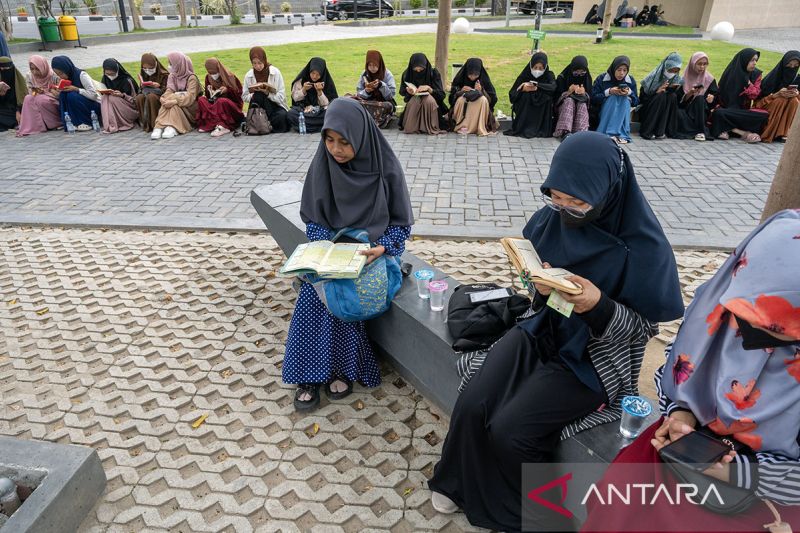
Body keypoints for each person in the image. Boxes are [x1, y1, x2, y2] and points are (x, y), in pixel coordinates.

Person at [427, 131, 684, 532]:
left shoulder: (644, 248)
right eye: (556, 198)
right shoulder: (554, 217)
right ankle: (457, 483)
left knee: (513, 430)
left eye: (577, 202)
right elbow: (539, 288)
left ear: (608, 191)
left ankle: (534, 517)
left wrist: (598, 305)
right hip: (542, 329)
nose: (564, 211)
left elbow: (642, 330)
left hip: (594, 358)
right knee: (475, 399)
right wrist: (538, 283)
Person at [581, 209, 800, 533]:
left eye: (778, 329)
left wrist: (739, 471)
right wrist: (681, 412)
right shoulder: (719, 307)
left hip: (769, 484)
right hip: (691, 444)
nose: (754, 335)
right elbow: (681, 366)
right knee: (617, 497)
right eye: (746, 313)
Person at [284, 97, 414, 412]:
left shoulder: (384, 167)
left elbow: (401, 225)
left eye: (344, 141)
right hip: (332, 250)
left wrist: (382, 247)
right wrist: (326, 248)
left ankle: (341, 369)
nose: (336, 149)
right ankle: (309, 375)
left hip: (375, 252)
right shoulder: (324, 166)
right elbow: (314, 219)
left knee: (348, 293)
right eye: (329, 140)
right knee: (317, 295)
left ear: (361, 137)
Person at [710, 48, 768, 143]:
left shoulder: (756, 74)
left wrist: (748, 83)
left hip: (742, 111)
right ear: (744, 60)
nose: (755, 63)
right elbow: (720, 95)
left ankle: (726, 128)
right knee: (718, 113)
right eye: (752, 60)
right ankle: (744, 133)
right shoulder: (731, 72)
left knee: (763, 116)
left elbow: (754, 95)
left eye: (756, 60)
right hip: (727, 109)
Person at [505, 52, 556, 138]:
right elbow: (512, 95)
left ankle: (540, 128)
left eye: (540, 68)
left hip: (542, 111)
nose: (537, 71)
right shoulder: (525, 75)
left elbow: (553, 87)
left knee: (546, 97)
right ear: (531, 66)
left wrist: (537, 86)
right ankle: (523, 127)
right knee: (526, 96)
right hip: (525, 108)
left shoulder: (549, 75)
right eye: (535, 67)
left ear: (545, 67)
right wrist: (522, 89)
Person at [152, 52, 200, 140]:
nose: (169, 66)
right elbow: (169, 90)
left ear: (178, 64)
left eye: (171, 64)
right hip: (178, 103)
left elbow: (190, 97)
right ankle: (160, 127)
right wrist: (163, 99)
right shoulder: (172, 76)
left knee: (173, 102)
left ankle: (170, 126)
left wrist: (175, 100)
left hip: (190, 106)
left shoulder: (191, 78)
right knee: (168, 100)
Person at [241, 46, 289, 133]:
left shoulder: (275, 72)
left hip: (273, 105)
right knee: (259, 95)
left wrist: (268, 94)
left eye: (260, 63)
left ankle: (263, 125)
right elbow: (244, 96)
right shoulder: (249, 75)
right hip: (257, 107)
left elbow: (281, 96)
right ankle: (262, 124)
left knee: (282, 116)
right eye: (254, 63)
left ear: (264, 60)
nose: (257, 66)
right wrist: (253, 94)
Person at [592, 55, 639, 143]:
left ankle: (620, 134)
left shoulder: (630, 80)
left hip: (622, 112)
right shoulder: (602, 79)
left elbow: (636, 102)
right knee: (613, 98)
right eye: (619, 70)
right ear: (614, 69)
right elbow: (594, 98)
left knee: (624, 99)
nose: (621, 73)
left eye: (625, 70)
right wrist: (609, 92)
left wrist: (629, 93)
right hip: (606, 112)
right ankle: (611, 133)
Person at [398, 52, 448, 134]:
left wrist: (429, 89)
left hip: (432, 100)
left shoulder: (433, 73)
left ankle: (429, 125)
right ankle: (414, 126)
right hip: (413, 99)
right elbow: (402, 91)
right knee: (416, 100)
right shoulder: (407, 74)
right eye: (416, 70)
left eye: (421, 70)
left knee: (428, 100)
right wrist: (409, 91)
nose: (418, 71)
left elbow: (441, 95)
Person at [756, 50, 800, 143]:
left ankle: (784, 132)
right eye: (789, 65)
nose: (792, 68)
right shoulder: (771, 79)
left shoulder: (796, 79)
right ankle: (771, 132)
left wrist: (796, 93)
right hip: (768, 103)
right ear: (784, 64)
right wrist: (776, 95)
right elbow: (758, 103)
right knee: (781, 100)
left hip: (785, 105)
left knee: (794, 101)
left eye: (795, 66)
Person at [286, 57, 338, 134]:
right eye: (313, 73)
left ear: (322, 73)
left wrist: (320, 92)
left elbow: (328, 104)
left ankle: (307, 126)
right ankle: (319, 126)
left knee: (332, 113)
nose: (314, 77)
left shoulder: (326, 82)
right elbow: (295, 98)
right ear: (309, 70)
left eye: (318, 74)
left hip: (319, 111)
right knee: (291, 114)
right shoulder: (302, 79)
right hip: (303, 110)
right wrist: (303, 90)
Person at [448, 58, 499, 136]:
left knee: (482, 100)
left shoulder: (484, 79)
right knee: (462, 100)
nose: (472, 77)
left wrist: (481, 90)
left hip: (480, 104)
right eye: (470, 75)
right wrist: (460, 90)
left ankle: (478, 126)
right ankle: (462, 126)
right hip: (463, 104)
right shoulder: (460, 78)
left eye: (476, 75)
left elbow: (493, 99)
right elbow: (451, 97)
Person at [638, 51, 682, 140]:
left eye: (676, 71)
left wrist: (672, 89)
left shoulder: (676, 78)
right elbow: (643, 98)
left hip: (664, 107)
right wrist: (657, 91)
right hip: (648, 107)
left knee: (672, 96)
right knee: (661, 96)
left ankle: (661, 131)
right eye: (671, 70)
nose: (673, 73)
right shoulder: (653, 77)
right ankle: (648, 130)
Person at [51, 55, 101, 132]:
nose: (60, 76)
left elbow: (93, 95)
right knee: (63, 95)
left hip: (93, 106)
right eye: (57, 74)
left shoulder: (82, 75)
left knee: (72, 95)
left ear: (66, 68)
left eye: (61, 73)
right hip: (80, 104)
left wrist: (77, 89)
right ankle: (72, 122)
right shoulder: (63, 78)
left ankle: (86, 122)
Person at [676, 51, 718, 141]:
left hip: (700, 113)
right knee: (678, 112)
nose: (702, 67)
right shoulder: (683, 79)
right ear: (692, 64)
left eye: (705, 64)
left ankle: (701, 131)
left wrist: (711, 100)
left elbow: (714, 101)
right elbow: (678, 103)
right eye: (699, 64)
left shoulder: (709, 79)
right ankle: (696, 132)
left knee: (699, 99)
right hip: (686, 112)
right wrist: (689, 94)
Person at [196, 57, 244, 137]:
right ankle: (211, 124)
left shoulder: (230, 77)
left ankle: (224, 125)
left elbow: (239, 95)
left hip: (230, 107)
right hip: (215, 104)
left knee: (221, 101)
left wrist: (228, 90)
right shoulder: (208, 78)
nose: (212, 75)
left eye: (214, 72)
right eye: (210, 72)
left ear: (218, 69)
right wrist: (210, 91)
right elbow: (209, 97)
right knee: (201, 99)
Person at [16, 55, 62, 136]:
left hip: (53, 99)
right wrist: (36, 91)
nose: (34, 72)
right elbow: (30, 90)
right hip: (37, 96)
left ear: (43, 67)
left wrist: (48, 91)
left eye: (37, 69)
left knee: (41, 99)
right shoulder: (30, 76)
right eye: (32, 69)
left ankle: (55, 123)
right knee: (28, 98)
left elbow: (60, 94)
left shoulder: (53, 76)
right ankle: (34, 125)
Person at [354, 50, 396, 129]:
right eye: (370, 65)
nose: (372, 68)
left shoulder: (387, 74)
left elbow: (391, 95)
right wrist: (367, 91)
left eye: (375, 65)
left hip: (382, 102)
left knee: (388, 106)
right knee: (354, 102)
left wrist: (381, 85)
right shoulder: (364, 74)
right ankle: (373, 119)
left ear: (380, 64)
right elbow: (359, 92)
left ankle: (367, 120)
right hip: (368, 102)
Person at [553, 55, 592, 139]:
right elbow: (555, 99)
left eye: (582, 73)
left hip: (579, 106)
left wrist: (584, 93)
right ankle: (564, 131)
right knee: (569, 101)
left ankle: (581, 132)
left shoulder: (587, 78)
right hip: (563, 107)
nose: (579, 75)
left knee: (582, 104)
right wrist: (568, 92)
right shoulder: (562, 78)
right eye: (576, 73)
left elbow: (591, 98)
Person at [99, 58, 139, 134]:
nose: (110, 76)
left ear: (117, 71)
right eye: (107, 74)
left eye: (112, 74)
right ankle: (110, 123)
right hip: (112, 103)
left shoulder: (127, 80)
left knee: (113, 98)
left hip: (129, 107)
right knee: (105, 97)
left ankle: (121, 123)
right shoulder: (105, 78)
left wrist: (122, 95)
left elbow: (134, 100)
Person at [135, 53, 169, 133]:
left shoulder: (164, 75)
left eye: (150, 68)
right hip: (146, 93)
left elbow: (168, 90)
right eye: (145, 68)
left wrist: (159, 86)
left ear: (156, 65)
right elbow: (140, 90)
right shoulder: (144, 74)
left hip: (159, 95)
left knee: (151, 97)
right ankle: (145, 123)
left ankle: (155, 123)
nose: (147, 71)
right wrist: (143, 85)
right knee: (139, 97)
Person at [0, 56, 25, 131]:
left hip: (16, 110)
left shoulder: (19, 81)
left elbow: (24, 99)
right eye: (2, 70)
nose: (5, 72)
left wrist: (18, 110)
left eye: (8, 69)